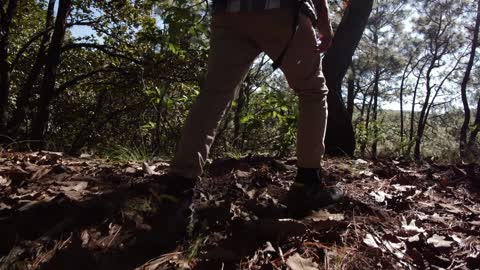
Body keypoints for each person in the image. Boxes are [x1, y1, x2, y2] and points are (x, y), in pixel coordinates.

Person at [159, 0, 345, 228]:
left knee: (214, 95)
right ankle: (307, 185)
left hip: (228, 12)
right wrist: (324, 21)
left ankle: (177, 191)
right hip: (282, 9)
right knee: (312, 92)